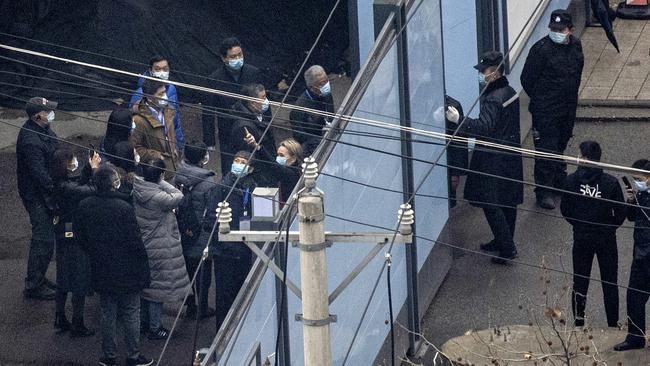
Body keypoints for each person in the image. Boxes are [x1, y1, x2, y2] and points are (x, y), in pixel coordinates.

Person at [446, 51, 523, 265]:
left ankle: (507, 248)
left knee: (491, 202)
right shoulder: (510, 92)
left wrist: (459, 120)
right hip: (510, 155)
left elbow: (484, 128)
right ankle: (503, 240)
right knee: (508, 201)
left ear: (495, 73)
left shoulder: (493, 99)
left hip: (493, 159)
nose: (482, 75)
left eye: (485, 71)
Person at [75, 165, 153, 366]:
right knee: (130, 312)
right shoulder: (124, 208)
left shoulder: (84, 205)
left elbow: (80, 236)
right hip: (127, 269)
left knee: (107, 312)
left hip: (101, 266)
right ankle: (133, 355)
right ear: (113, 185)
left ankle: (108, 356)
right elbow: (135, 241)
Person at [521, 9, 584, 210]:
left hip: (567, 108)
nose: (556, 32)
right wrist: (542, 101)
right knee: (546, 151)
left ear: (570, 30)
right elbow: (527, 79)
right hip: (546, 111)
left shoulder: (575, 46)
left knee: (560, 145)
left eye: (561, 29)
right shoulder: (540, 50)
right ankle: (544, 191)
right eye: (553, 29)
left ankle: (559, 182)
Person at [560, 141, 626, 328]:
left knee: (580, 281)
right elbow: (620, 213)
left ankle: (579, 322)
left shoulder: (571, 181)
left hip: (581, 238)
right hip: (606, 239)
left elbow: (566, 209)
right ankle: (613, 324)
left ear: (584, 158)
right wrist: (609, 227)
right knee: (610, 282)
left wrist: (579, 225)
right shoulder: (610, 183)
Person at [132, 159, 191, 340]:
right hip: (161, 246)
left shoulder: (137, 189)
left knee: (147, 289)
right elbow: (178, 195)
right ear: (159, 175)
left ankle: (143, 323)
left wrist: (155, 178)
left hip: (146, 243)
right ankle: (155, 327)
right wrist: (160, 180)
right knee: (157, 292)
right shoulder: (159, 197)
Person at [50, 148, 101, 337]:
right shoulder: (66, 188)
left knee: (63, 277)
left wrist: (88, 168)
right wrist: (95, 170)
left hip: (63, 234)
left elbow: (79, 183)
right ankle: (77, 322)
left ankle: (60, 315)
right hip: (75, 236)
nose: (74, 164)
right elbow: (90, 189)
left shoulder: (60, 183)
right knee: (78, 278)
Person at [204, 151, 257, 330]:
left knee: (241, 293)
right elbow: (210, 220)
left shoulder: (253, 188)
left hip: (243, 249)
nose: (239, 164)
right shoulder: (221, 188)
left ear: (250, 169)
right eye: (237, 160)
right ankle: (222, 331)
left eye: (243, 162)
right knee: (224, 296)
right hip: (224, 251)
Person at [16, 97, 59, 300]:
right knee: (43, 239)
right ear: (38, 116)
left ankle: (39, 277)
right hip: (37, 196)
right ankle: (33, 284)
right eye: (48, 110)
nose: (51, 112)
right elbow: (41, 177)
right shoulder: (31, 141)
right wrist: (59, 190)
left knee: (47, 239)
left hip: (44, 193)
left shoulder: (44, 131)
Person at [201, 37, 263, 172]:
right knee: (231, 170)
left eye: (240, 55)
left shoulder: (253, 73)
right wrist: (209, 142)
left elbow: (262, 99)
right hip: (228, 133)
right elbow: (208, 111)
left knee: (256, 168)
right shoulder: (214, 80)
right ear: (224, 58)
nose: (238, 59)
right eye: (233, 56)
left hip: (253, 129)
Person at [173, 142, 217, 319]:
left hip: (183, 228)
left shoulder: (179, 174)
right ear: (203, 158)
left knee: (188, 271)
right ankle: (203, 307)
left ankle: (191, 305)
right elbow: (211, 209)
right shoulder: (208, 182)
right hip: (202, 232)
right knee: (204, 274)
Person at [614, 159, 650, 351]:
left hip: (647, 252)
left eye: (639, 179)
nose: (637, 182)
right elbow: (632, 217)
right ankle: (635, 337)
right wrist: (631, 200)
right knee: (634, 296)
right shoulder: (642, 194)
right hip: (641, 254)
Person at [128, 56, 185, 152]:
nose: (162, 73)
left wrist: (179, 144)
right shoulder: (139, 96)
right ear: (150, 70)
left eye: (165, 69)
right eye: (157, 69)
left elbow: (175, 120)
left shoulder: (171, 88)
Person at [131, 79, 178, 181]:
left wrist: (174, 150)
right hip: (154, 175)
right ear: (149, 97)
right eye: (161, 94)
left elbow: (171, 134)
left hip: (171, 169)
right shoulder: (138, 120)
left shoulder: (168, 110)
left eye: (165, 92)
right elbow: (135, 148)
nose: (165, 96)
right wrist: (157, 156)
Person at [290, 65, 335, 156]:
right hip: (315, 148)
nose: (326, 85)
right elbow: (299, 135)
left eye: (327, 81)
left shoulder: (326, 94)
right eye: (322, 83)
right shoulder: (300, 107)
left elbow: (331, 113)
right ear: (311, 87)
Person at [229, 83, 275, 165]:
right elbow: (247, 155)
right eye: (263, 97)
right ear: (253, 103)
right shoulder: (244, 127)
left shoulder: (260, 113)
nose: (266, 101)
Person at [258, 138, 303, 203]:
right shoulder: (277, 173)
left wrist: (259, 148)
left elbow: (274, 165)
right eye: (278, 155)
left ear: (293, 158)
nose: (278, 158)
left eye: (281, 155)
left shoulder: (294, 173)